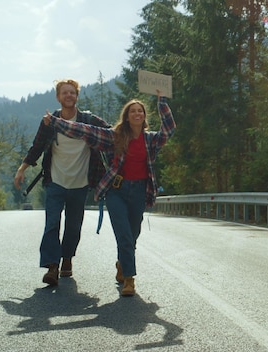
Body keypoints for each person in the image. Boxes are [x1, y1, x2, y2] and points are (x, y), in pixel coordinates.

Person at [43, 91, 176, 296]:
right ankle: (129, 281)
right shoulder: (115, 137)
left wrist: (162, 102)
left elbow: (169, 129)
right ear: (127, 116)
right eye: (132, 111)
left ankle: (123, 264)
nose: (137, 114)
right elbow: (85, 130)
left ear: (144, 116)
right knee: (123, 235)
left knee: (132, 236)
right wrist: (56, 122)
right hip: (116, 191)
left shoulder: (151, 140)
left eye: (140, 111)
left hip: (140, 191)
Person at [14, 79, 110, 286]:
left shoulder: (88, 120)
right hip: (55, 180)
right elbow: (37, 146)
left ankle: (67, 258)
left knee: (74, 226)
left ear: (77, 96)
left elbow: (111, 135)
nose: (69, 96)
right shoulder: (50, 122)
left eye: (72, 93)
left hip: (80, 182)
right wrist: (22, 169)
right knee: (52, 224)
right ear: (58, 97)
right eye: (64, 93)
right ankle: (52, 266)